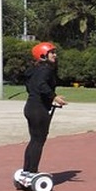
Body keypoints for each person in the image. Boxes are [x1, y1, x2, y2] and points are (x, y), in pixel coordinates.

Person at [21, 42, 67, 181]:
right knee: (38, 141)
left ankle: (27, 170)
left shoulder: (35, 70)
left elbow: (32, 86)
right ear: (43, 55)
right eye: (52, 53)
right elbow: (41, 85)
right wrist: (54, 97)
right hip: (38, 109)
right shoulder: (46, 69)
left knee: (34, 140)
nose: (55, 55)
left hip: (30, 107)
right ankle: (32, 172)